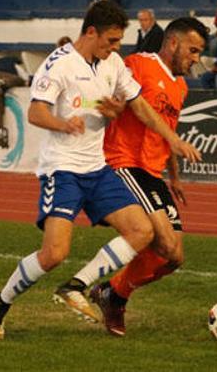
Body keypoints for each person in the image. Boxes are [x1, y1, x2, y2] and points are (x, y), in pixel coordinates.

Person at [0, 1, 201, 341]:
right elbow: (35, 113)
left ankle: (76, 287)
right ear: (90, 33)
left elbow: (139, 105)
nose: (117, 48)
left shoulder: (112, 63)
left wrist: (170, 138)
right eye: (111, 40)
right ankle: (0, 301)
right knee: (54, 253)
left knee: (142, 231)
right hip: (63, 170)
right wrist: (63, 124)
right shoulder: (58, 65)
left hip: (97, 168)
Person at [77, 17, 209, 337]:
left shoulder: (181, 86)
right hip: (124, 162)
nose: (196, 59)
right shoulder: (138, 64)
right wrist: (96, 110)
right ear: (173, 43)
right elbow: (98, 96)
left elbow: (168, 134)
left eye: (199, 53)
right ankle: (109, 295)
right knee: (160, 240)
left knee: (174, 257)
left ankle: (114, 293)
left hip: (153, 172)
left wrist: (174, 177)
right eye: (193, 50)